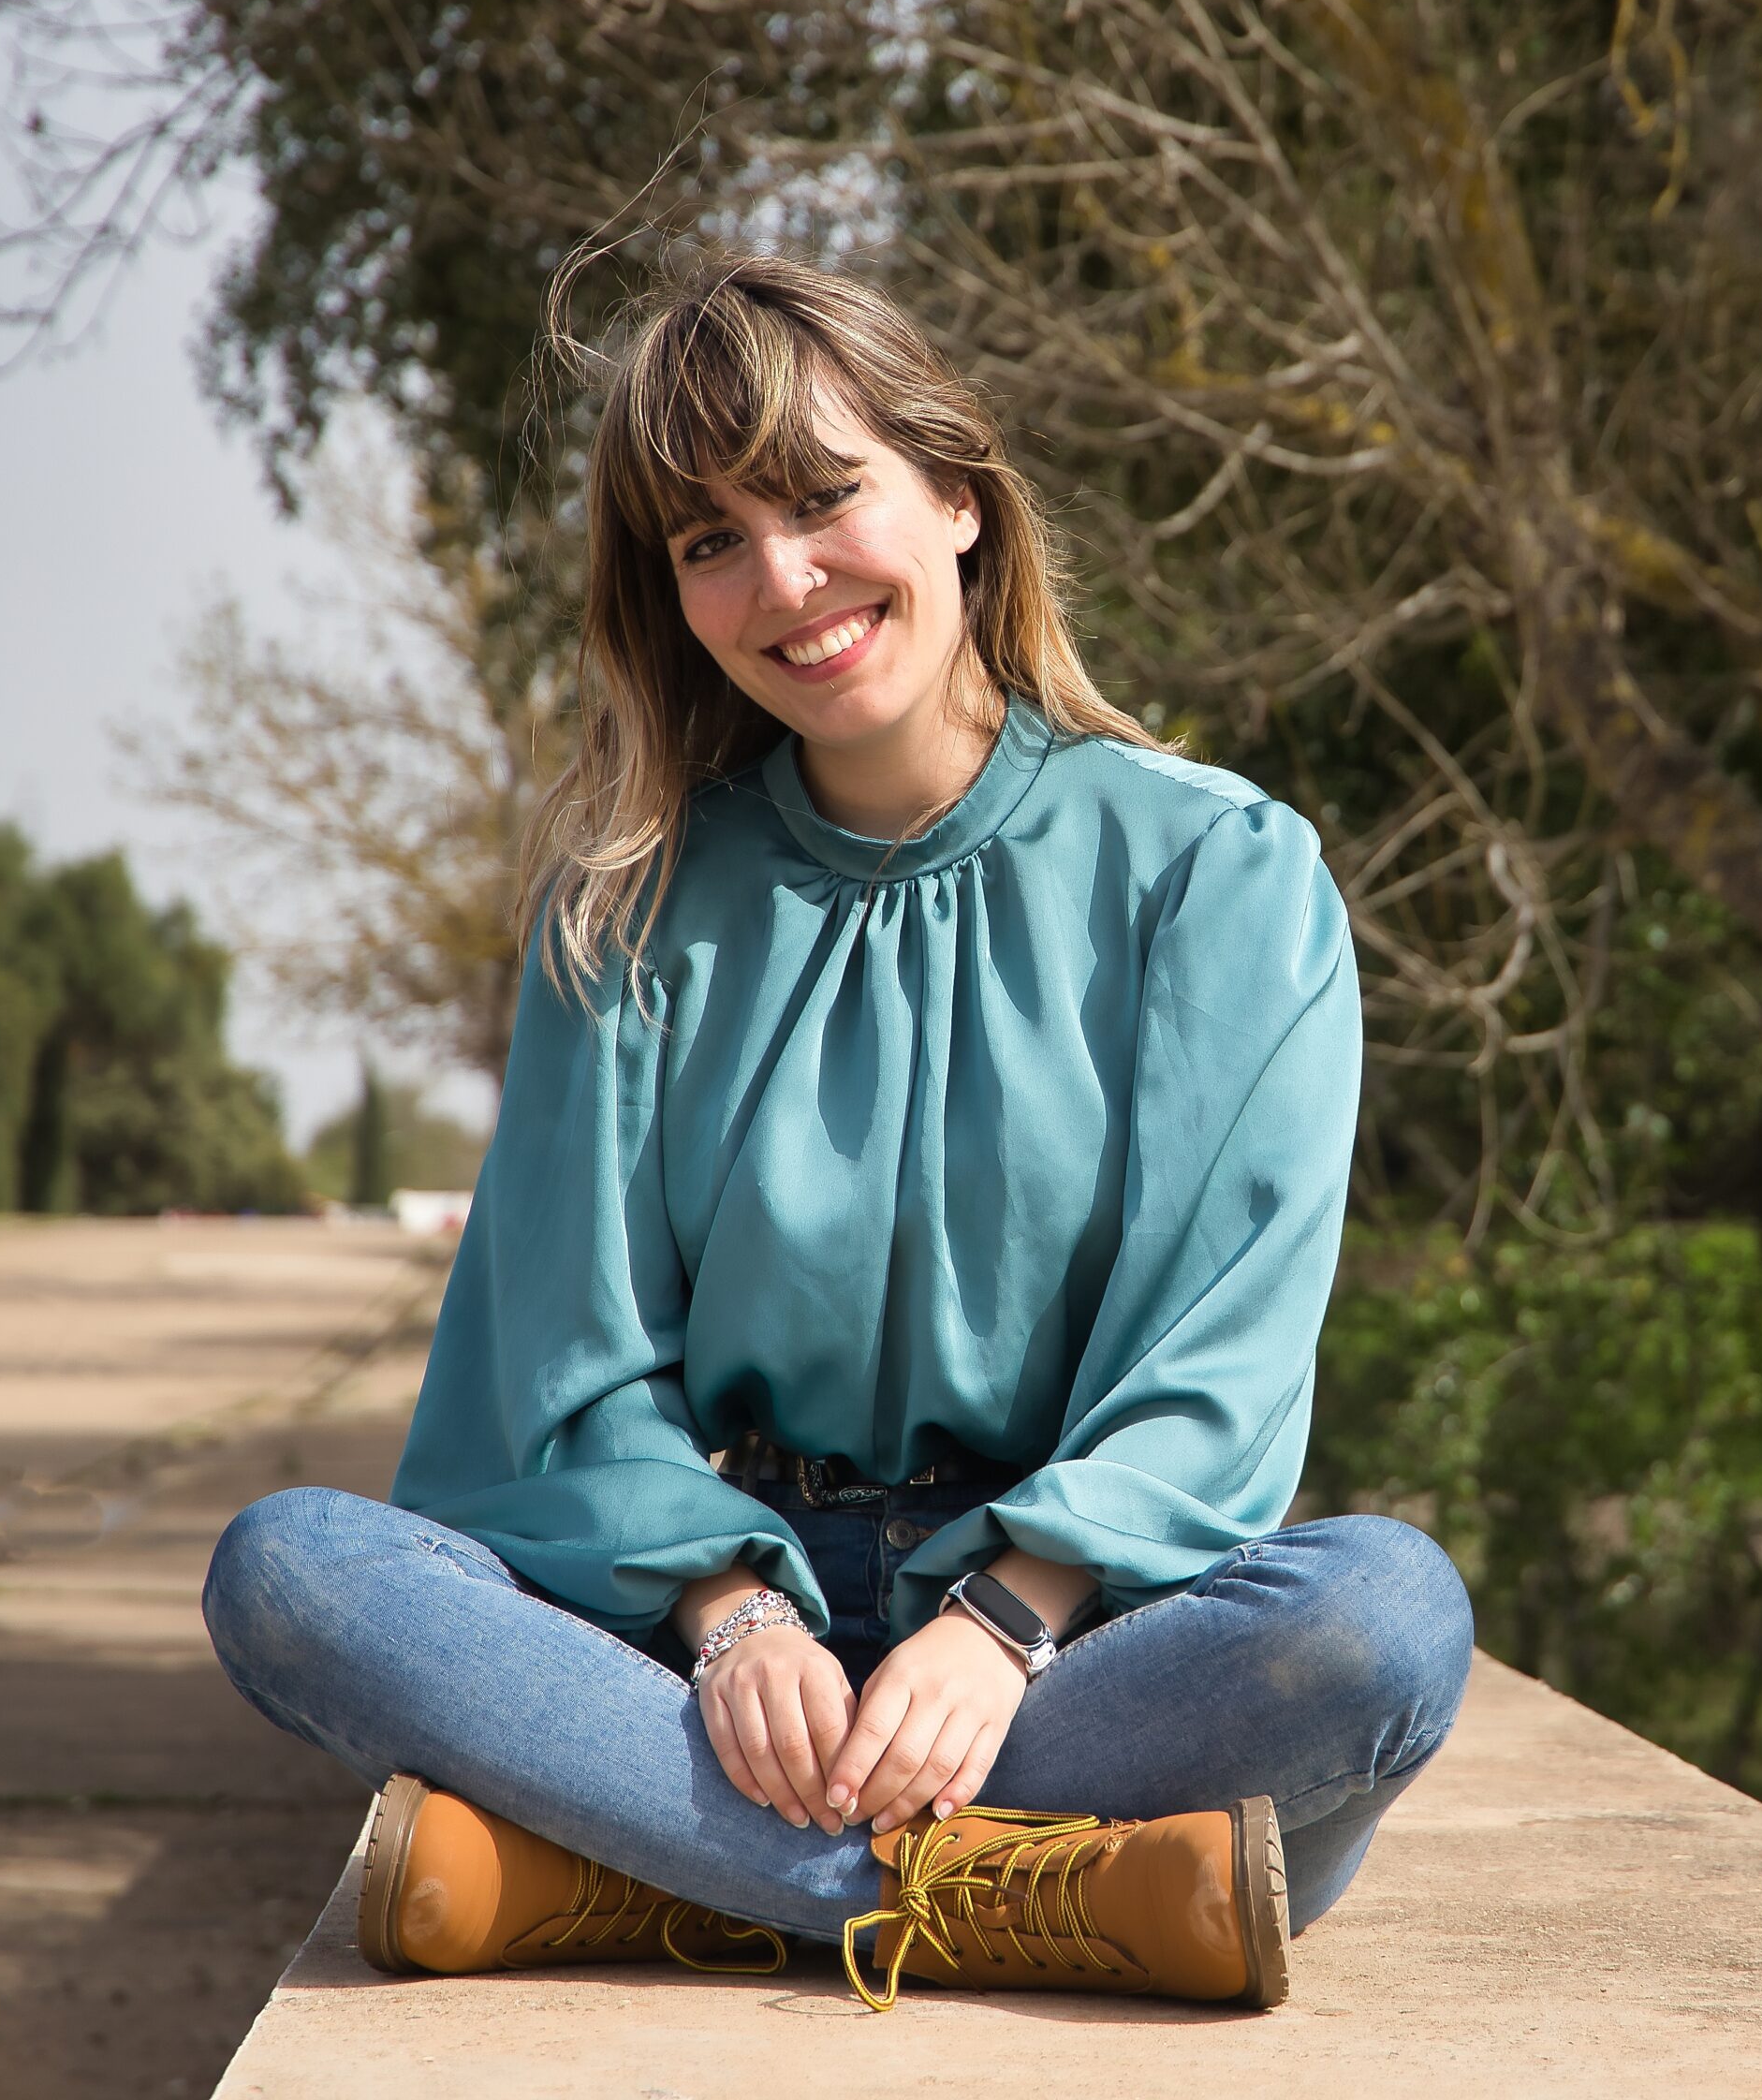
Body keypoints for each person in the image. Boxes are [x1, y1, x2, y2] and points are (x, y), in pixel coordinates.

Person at [199, 253, 1473, 2011]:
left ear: (957, 495)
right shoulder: (626, 907)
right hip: (696, 1631)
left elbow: (1218, 1356)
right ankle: (1049, 1895)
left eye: (818, 497)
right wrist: (730, 1620)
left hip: (1082, 1640)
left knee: (1384, 1617)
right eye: (708, 541)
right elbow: (568, 1360)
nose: (780, 579)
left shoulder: (1215, 873)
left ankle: (643, 1877)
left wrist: (1005, 1620)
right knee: (288, 1573)